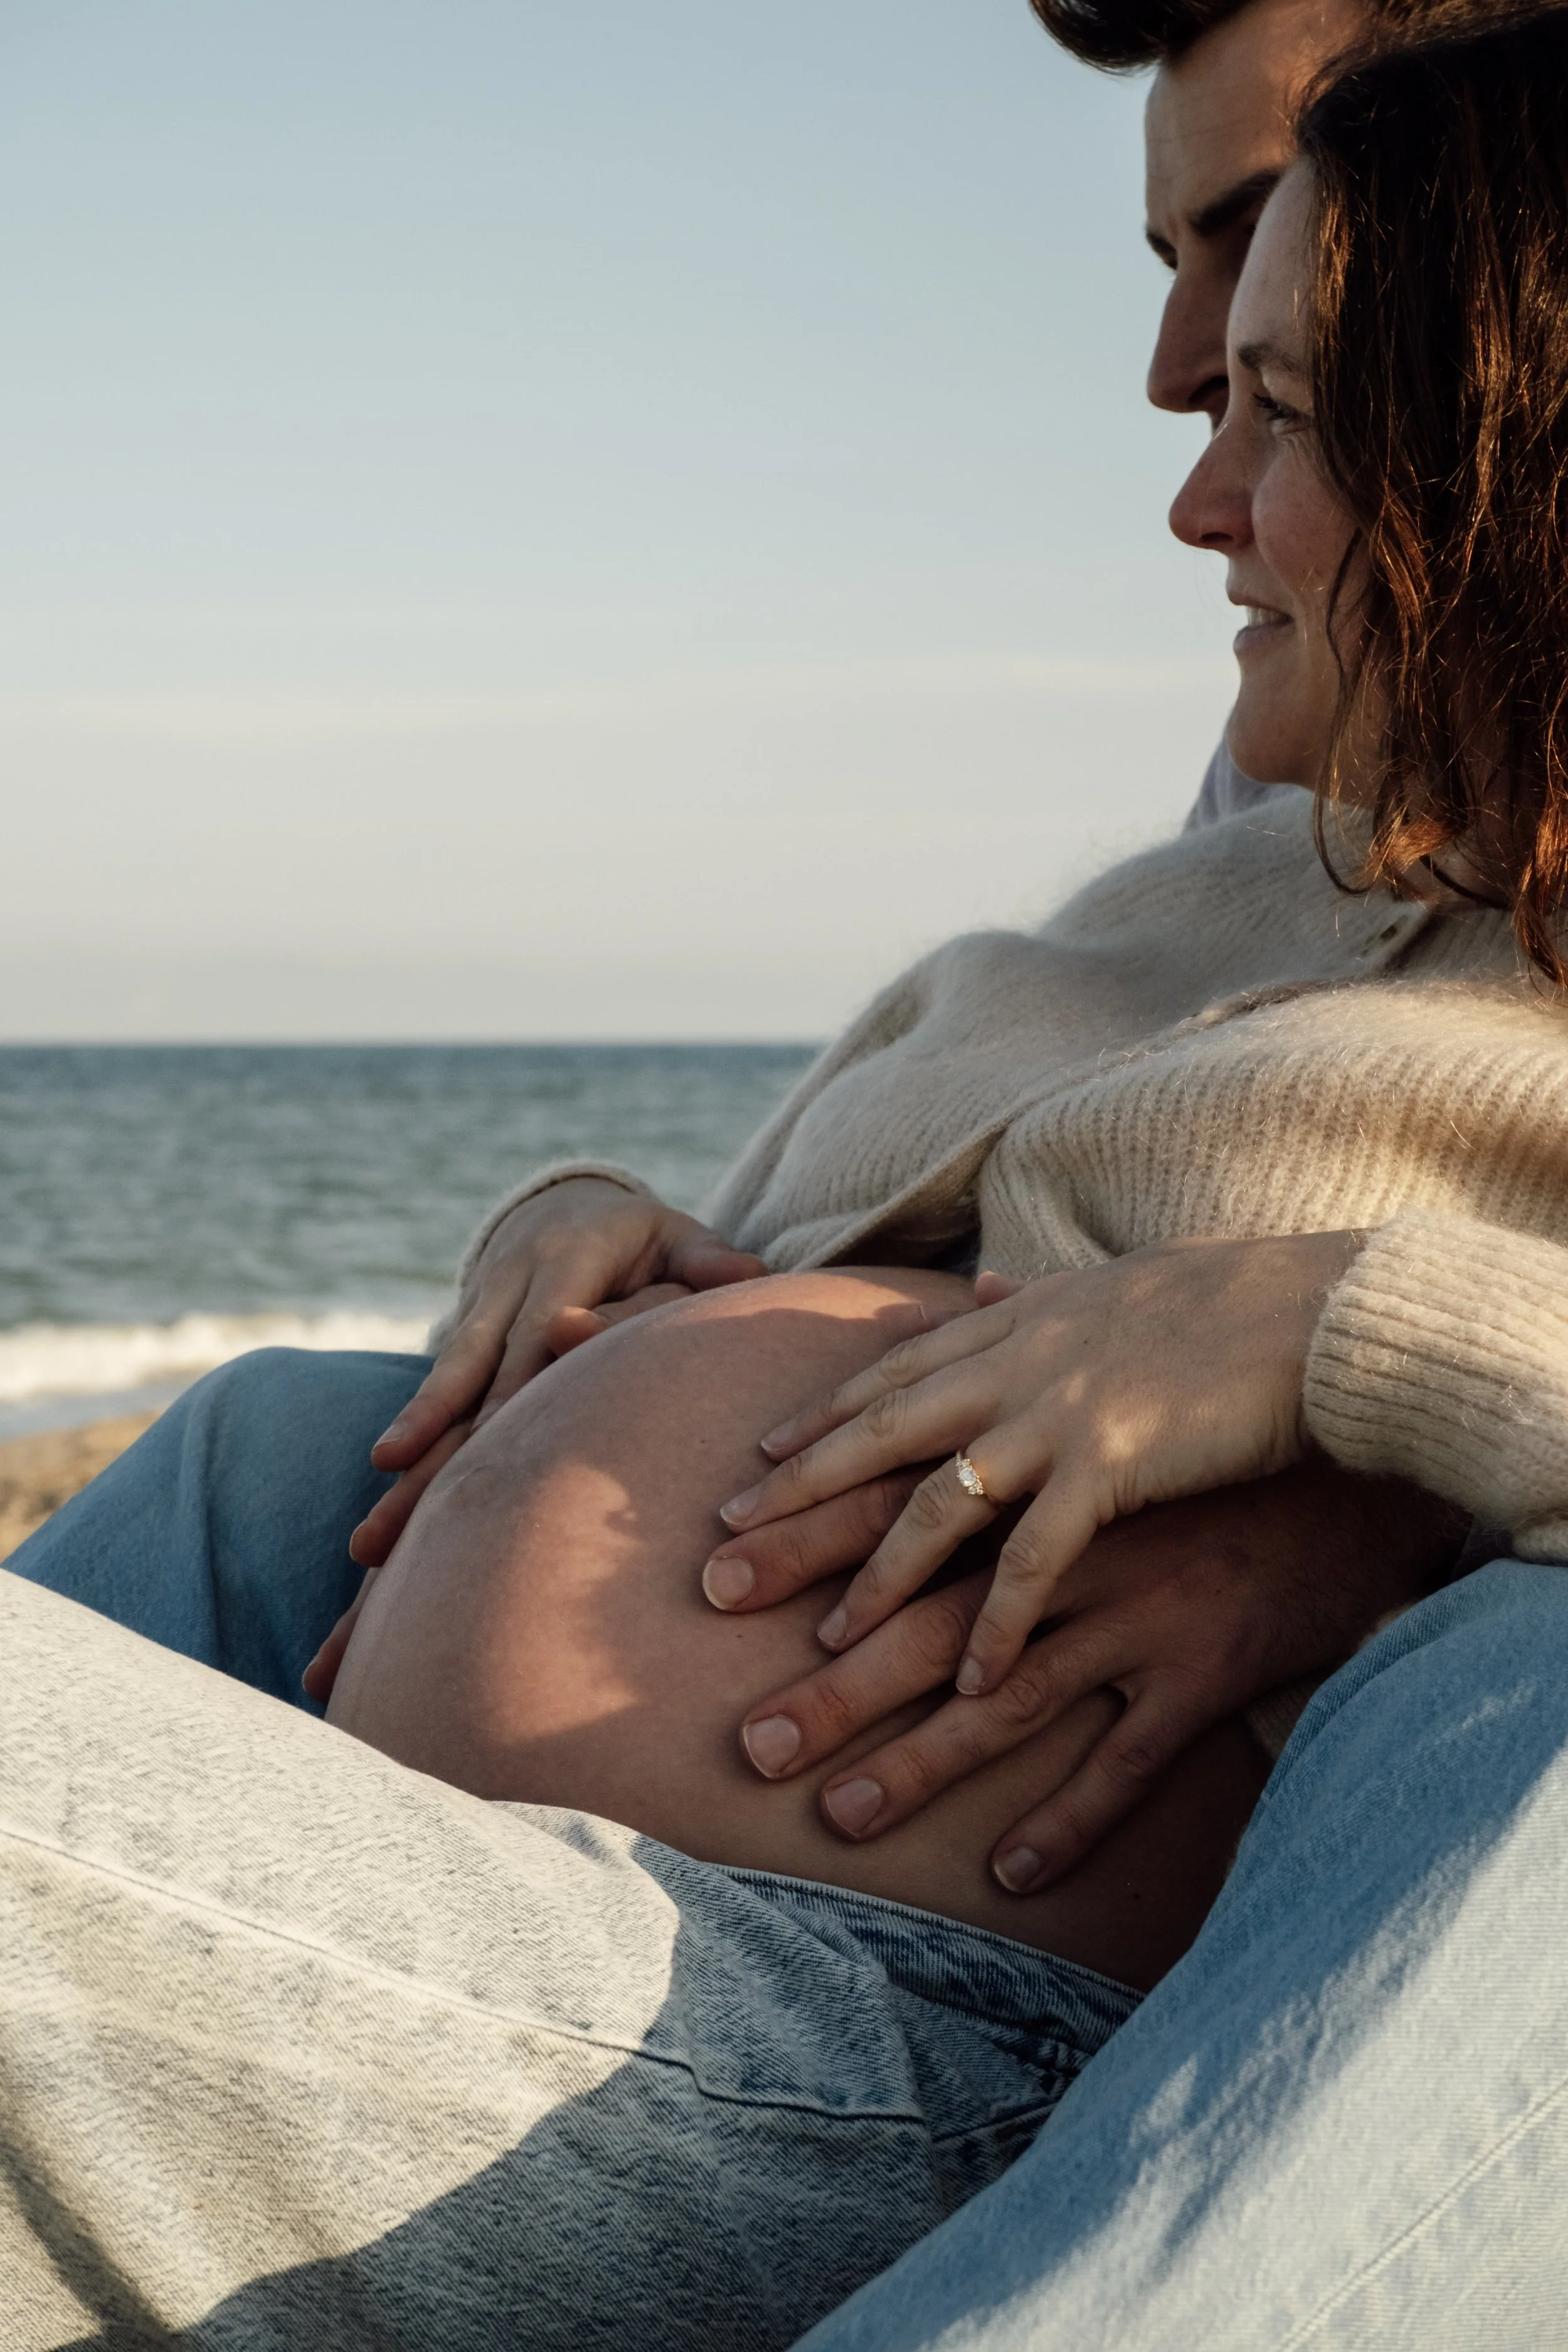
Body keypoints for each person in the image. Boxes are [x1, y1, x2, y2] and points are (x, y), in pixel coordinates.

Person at [11, 11, 1568, 2349]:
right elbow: (920, 1263)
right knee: (264, 1433)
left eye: (1283, 385)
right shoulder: (1274, 871)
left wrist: (1345, 1377)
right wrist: (611, 1277)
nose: (1184, 470)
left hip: (919, 2035)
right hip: (571, 1894)